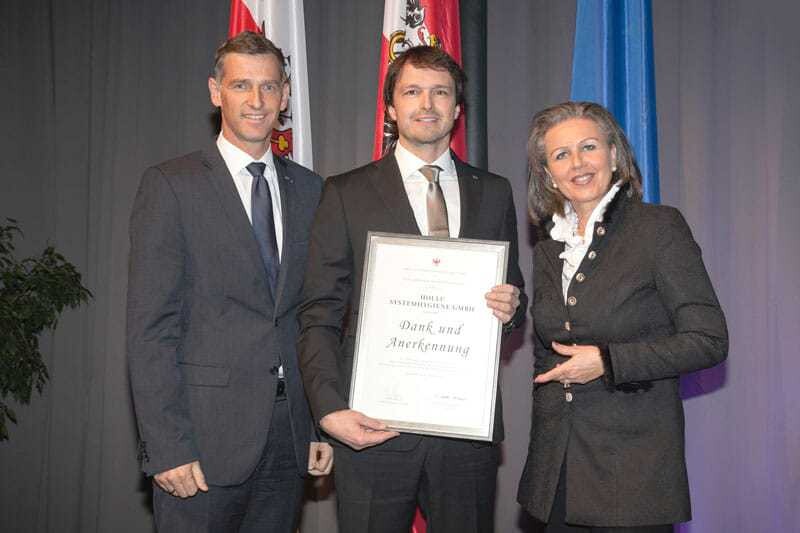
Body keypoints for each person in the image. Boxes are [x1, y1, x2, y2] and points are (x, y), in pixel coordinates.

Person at [297, 46, 527, 533]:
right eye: (413, 91)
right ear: (392, 107)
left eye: (440, 92)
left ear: (458, 109)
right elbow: (318, 312)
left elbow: (515, 296)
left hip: (465, 430)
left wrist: (512, 307)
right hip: (372, 425)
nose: (427, 103)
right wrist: (329, 408)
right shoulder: (345, 193)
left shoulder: (495, 191)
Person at [126, 31, 331, 532]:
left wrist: (319, 420)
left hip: (287, 441)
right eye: (242, 86)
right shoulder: (171, 185)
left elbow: (315, 316)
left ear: (284, 97)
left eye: (268, 87)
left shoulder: (310, 190)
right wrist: (167, 447)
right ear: (216, 92)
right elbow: (150, 329)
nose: (256, 101)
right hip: (199, 445)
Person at [516, 101, 728, 532]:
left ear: (614, 155)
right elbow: (549, 355)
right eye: (561, 155)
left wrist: (609, 362)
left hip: (633, 476)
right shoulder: (549, 246)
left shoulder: (658, 228)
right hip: (556, 475)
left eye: (588, 147)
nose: (577, 164)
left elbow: (709, 340)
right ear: (546, 173)